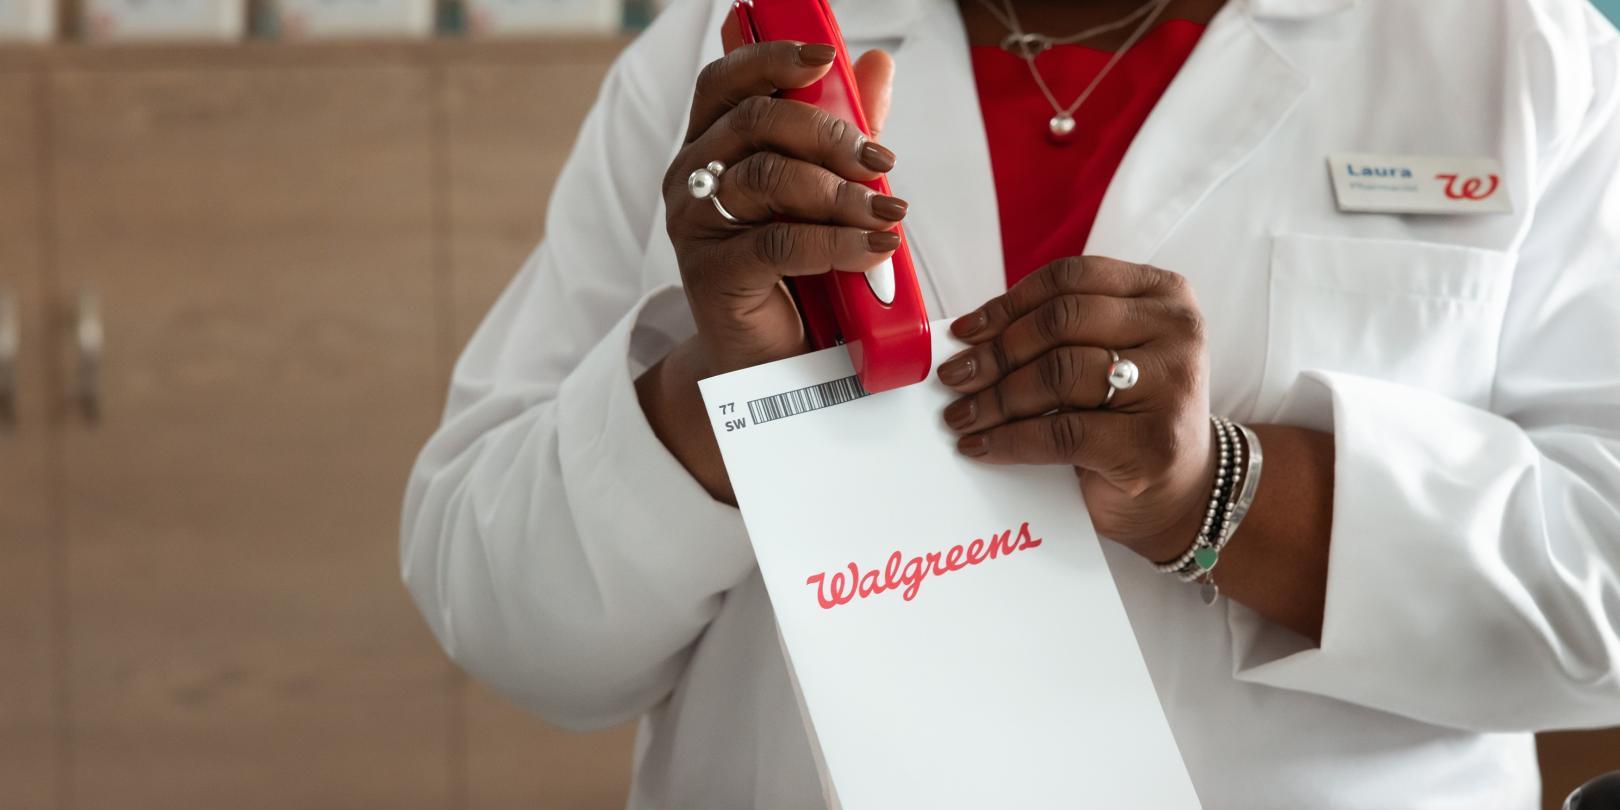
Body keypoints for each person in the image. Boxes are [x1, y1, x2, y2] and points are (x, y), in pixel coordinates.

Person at [400, 0, 1620, 806]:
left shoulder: (1522, 54)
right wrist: (719, 389)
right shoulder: (719, 67)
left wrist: (1223, 494)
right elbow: (503, 614)